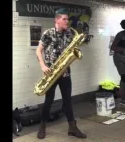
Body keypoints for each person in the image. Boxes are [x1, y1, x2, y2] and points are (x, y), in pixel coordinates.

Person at [35, 8, 86, 139]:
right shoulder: (48, 33)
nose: (67, 21)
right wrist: (43, 65)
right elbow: (38, 50)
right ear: (56, 20)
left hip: (65, 73)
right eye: (64, 19)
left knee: (68, 101)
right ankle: (42, 127)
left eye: (67, 19)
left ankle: (72, 128)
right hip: (51, 73)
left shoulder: (69, 33)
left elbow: (71, 50)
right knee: (48, 101)